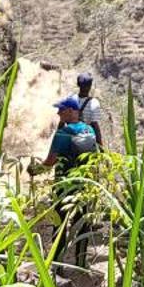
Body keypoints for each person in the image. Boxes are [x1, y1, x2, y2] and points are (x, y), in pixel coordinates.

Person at [40, 95, 98, 267]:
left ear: (72, 111)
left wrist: (34, 169)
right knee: (83, 222)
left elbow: (49, 162)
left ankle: (57, 262)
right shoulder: (90, 131)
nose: (58, 113)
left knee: (59, 223)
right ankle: (81, 262)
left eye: (62, 110)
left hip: (64, 186)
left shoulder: (62, 134)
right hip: (85, 183)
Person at [76, 73, 107, 147]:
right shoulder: (94, 102)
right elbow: (95, 125)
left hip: (70, 136)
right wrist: (101, 146)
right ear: (90, 86)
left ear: (78, 84)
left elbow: (62, 123)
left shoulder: (70, 99)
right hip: (85, 140)